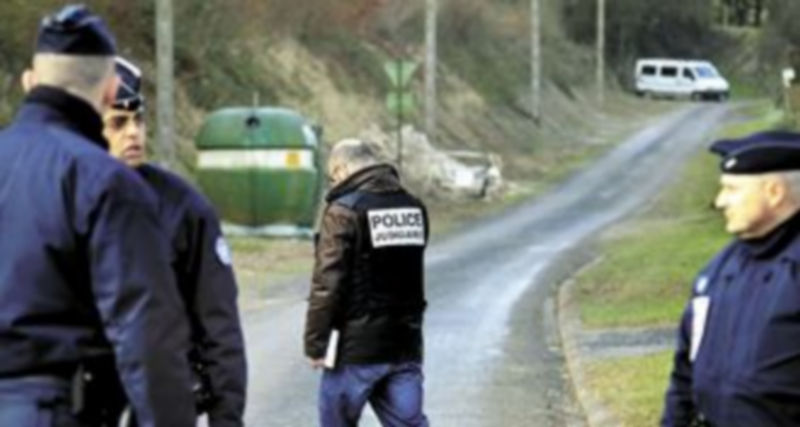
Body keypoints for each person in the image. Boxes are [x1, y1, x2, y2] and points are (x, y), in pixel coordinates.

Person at [0, 4, 195, 427]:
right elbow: (148, 338)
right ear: (110, 91)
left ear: (29, 82)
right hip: (55, 409)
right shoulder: (107, 184)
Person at [102, 56, 247, 427]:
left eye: (139, 120)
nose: (133, 133)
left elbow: (219, 326)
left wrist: (226, 418)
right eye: (118, 123)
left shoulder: (183, 209)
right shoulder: (53, 200)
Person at [662, 131, 800, 426]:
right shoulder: (718, 272)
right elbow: (685, 373)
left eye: (732, 189)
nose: (720, 201)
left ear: (774, 192)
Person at [304, 138, 430, 427]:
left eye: (333, 175)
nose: (333, 181)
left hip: (355, 350)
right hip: (405, 345)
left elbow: (327, 283)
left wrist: (316, 344)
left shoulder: (344, 211)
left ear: (344, 168)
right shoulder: (414, 207)